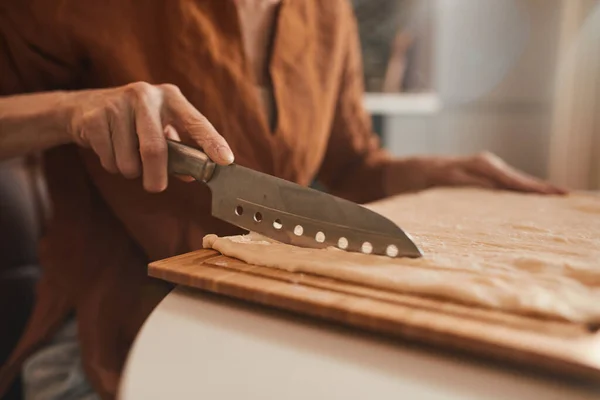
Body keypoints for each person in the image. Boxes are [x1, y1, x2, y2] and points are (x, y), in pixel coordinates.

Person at [0, 0, 565, 398]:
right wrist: (70, 110)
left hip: (268, 318)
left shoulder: (325, 11)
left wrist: (444, 171)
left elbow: (352, 164)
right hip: (108, 334)